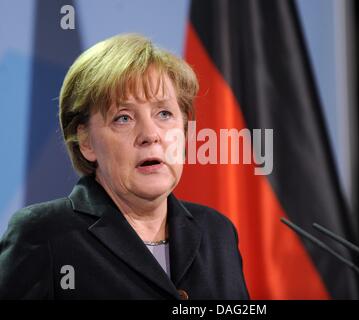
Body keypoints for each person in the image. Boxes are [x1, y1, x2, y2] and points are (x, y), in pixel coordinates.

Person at [0, 34, 249, 300]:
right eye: (124, 118)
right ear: (86, 142)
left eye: (164, 114)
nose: (150, 134)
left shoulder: (217, 232)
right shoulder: (45, 233)